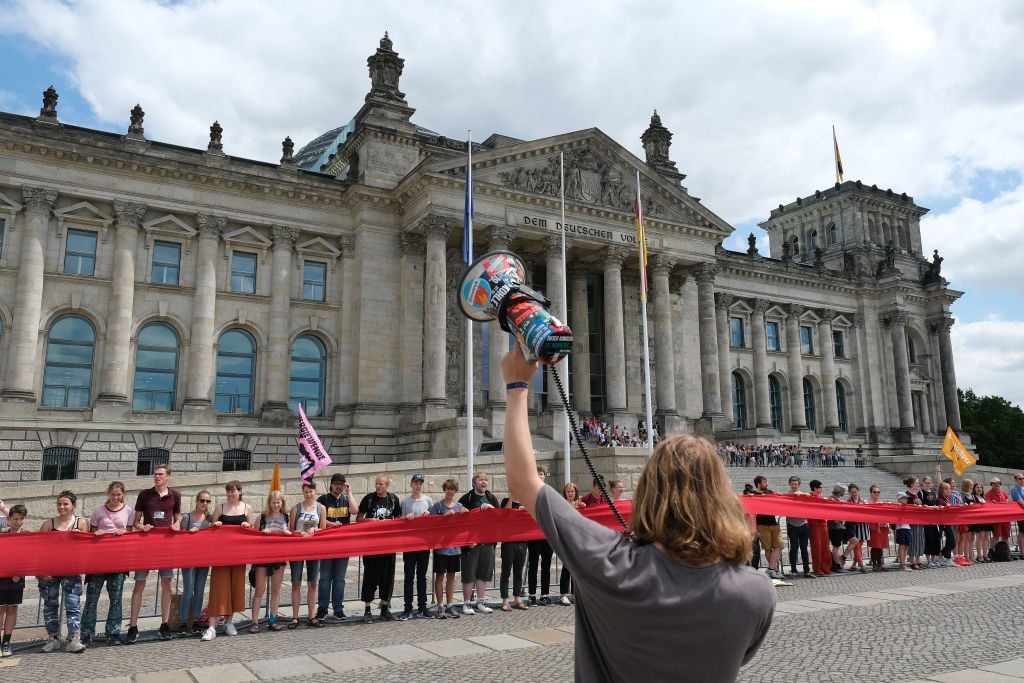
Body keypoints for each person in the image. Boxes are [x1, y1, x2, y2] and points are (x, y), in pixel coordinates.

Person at [501, 346, 775, 682]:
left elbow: (522, 483)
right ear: (722, 497)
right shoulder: (757, 592)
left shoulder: (607, 562)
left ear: (647, 491)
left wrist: (517, 386)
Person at [128, 463, 182, 643]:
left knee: (167, 583)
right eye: (155, 474)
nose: (157, 476)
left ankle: (164, 624)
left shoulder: (175, 495)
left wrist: (177, 524)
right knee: (139, 584)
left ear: (168, 477)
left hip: (166, 545)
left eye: (160, 474)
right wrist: (142, 526)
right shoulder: (144, 494)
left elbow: (178, 516)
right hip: (146, 544)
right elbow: (135, 521)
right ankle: (133, 626)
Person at [82, 481, 133, 646]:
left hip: (118, 560)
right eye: (112, 494)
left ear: (123, 494)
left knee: (116, 599)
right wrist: (96, 533)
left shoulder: (128, 510)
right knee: (92, 598)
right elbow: (91, 532)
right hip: (98, 560)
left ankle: (113, 632)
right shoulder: (98, 511)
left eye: (118, 494)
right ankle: (87, 633)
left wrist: (124, 532)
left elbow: (131, 532)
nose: (115, 497)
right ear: (108, 494)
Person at [38, 490, 90, 653]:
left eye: (65, 504)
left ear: (73, 506)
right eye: (59, 504)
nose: (61, 507)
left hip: (71, 570)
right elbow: (39, 548)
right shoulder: (48, 524)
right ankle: (53, 638)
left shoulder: (80, 523)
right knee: (50, 604)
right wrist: (43, 570)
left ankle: (73, 638)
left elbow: (87, 547)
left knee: (73, 604)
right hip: (51, 570)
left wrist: (80, 536)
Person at [202, 480, 252, 641]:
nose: (230, 494)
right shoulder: (220, 508)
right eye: (228, 491)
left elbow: (250, 531)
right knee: (218, 588)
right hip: (221, 555)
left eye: (233, 491)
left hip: (239, 555)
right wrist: (215, 524)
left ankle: (229, 622)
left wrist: (247, 525)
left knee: (235, 587)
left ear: (240, 492)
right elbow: (211, 530)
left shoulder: (247, 508)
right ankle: (211, 626)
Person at [357, 475, 402, 623]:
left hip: (388, 545)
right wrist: (369, 520)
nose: (377, 487)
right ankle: (367, 610)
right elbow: (358, 518)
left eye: (381, 484)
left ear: (387, 485)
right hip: (371, 545)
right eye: (376, 484)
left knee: (387, 577)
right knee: (370, 576)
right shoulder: (369, 499)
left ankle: (384, 608)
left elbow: (399, 520)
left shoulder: (394, 499)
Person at [458, 471, 499, 615]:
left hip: (487, 542)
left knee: (484, 573)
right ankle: (466, 603)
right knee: (469, 574)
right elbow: (460, 520)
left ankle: (480, 602)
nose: (484, 482)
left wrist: (492, 508)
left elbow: (499, 516)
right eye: (481, 480)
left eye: (486, 480)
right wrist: (467, 541)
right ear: (474, 483)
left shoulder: (491, 497)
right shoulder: (466, 498)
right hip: (471, 543)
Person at [316, 472, 355, 620]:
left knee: (340, 579)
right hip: (326, 544)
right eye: (336, 484)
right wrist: (332, 524)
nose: (338, 486)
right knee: (325, 578)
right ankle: (323, 608)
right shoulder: (323, 499)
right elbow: (319, 520)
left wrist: (349, 492)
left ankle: (338, 608)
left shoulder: (346, 499)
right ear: (331, 484)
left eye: (341, 484)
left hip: (343, 544)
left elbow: (355, 511)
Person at [250, 491, 289, 633]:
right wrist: (262, 533)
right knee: (260, 589)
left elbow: (290, 533)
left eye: (278, 502)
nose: (276, 505)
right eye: (273, 503)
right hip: (263, 556)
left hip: (279, 556)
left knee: (276, 590)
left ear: (282, 503)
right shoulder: (262, 517)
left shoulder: (286, 516)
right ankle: (254, 622)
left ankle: (273, 619)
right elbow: (254, 536)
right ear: (269, 503)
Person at [290, 481, 327, 628]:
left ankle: (312, 616)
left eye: (311, 491)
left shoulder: (321, 508)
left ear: (315, 492)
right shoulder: (296, 508)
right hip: (298, 548)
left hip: (314, 548)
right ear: (303, 492)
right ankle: (295, 617)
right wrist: (300, 532)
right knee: (296, 583)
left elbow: (323, 529)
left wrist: (314, 530)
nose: (309, 494)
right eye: (306, 491)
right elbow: (290, 530)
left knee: (313, 582)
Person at [428, 478, 466, 619]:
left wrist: (466, 513)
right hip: (441, 548)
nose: (450, 491)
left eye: (452, 489)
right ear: (444, 490)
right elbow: (432, 525)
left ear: (455, 491)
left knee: (452, 576)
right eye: (448, 488)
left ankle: (450, 605)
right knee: (440, 577)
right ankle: (440, 605)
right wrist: (445, 516)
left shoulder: (459, 506)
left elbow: (465, 524)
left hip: (455, 548)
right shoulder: (437, 506)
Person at [398, 473, 433, 621]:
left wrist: (429, 514)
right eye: (416, 483)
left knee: (422, 577)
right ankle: (407, 607)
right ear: (411, 485)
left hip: (423, 544)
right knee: (409, 577)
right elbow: (400, 521)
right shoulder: (405, 502)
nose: (418, 486)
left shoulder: (428, 501)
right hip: (410, 544)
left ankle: (422, 606)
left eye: (420, 483)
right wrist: (407, 519)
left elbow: (434, 520)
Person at [179, 490, 213, 635]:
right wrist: (188, 534)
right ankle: (183, 621)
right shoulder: (187, 517)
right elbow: (180, 537)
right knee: (188, 590)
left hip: (204, 558)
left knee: (199, 591)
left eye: (207, 501)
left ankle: (197, 621)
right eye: (202, 500)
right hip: (188, 558)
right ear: (196, 501)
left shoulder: (210, 519)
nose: (204, 503)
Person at [0, 504, 28, 657]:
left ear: (25, 519)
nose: (18, 522)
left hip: (17, 579)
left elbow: (29, 557)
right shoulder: (2, 535)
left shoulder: (27, 536)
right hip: (1, 578)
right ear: (9, 519)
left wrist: (19, 572)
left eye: (21, 519)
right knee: (0, 610)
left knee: (11, 609)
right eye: (15, 519)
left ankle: (6, 642)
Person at [526, 465, 554, 607]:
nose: (540, 476)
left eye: (541, 474)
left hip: (547, 535)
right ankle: (531, 595)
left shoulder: (549, 492)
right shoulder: (529, 493)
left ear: (544, 476)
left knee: (546, 566)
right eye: (537, 474)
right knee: (533, 565)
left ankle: (545, 594)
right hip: (534, 535)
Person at [499, 490, 530, 612]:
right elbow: (506, 513)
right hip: (509, 542)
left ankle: (517, 599)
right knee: (505, 572)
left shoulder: (526, 503)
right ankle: (505, 601)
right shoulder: (505, 501)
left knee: (518, 572)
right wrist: (512, 497)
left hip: (522, 542)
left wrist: (526, 510)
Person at [558, 482, 585, 605]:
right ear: (565, 493)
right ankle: (563, 594)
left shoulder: (580, 504)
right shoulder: (561, 504)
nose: (570, 493)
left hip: (577, 539)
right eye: (568, 491)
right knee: (566, 567)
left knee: (576, 567)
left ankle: (575, 593)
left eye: (572, 491)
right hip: (566, 538)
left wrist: (583, 507)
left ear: (576, 493)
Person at [753, 475, 784, 578]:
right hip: (761, 525)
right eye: (764, 482)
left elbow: (777, 498)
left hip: (773, 523)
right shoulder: (753, 494)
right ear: (759, 484)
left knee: (779, 546)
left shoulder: (769, 492)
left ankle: (771, 568)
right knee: (768, 548)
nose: (766, 484)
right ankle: (774, 569)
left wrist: (778, 495)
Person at [783, 476, 812, 578]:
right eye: (792, 484)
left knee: (804, 548)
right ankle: (794, 570)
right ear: (789, 484)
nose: (794, 486)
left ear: (799, 485)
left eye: (796, 484)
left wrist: (808, 496)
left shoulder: (803, 495)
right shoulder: (786, 495)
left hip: (804, 524)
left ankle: (806, 570)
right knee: (794, 548)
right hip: (792, 525)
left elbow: (810, 504)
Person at [807, 480, 831, 576]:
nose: (822, 489)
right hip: (814, 524)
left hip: (823, 524)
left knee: (825, 546)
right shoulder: (808, 497)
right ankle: (817, 568)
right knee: (816, 547)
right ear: (815, 488)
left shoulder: (821, 497)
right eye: (820, 487)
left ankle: (826, 567)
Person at [843, 484, 869, 572]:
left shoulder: (863, 501)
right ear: (849, 493)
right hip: (854, 527)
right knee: (857, 547)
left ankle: (854, 564)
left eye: (855, 492)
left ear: (858, 491)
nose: (854, 493)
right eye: (852, 492)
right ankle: (862, 565)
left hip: (862, 526)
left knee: (859, 547)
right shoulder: (848, 501)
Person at [904, 477, 926, 570]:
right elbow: (905, 508)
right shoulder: (907, 495)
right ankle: (912, 561)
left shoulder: (916, 494)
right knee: (913, 540)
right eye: (917, 483)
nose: (918, 484)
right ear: (912, 484)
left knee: (920, 540)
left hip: (919, 520)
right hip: (912, 521)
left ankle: (918, 559)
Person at [866, 485, 889, 571]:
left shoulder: (881, 503)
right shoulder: (868, 503)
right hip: (874, 527)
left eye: (878, 492)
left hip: (882, 527)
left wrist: (885, 522)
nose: (876, 493)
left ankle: (880, 564)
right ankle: (874, 564)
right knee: (875, 546)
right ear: (871, 493)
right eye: (874, 492)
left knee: (880, 546)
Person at [987, 477, 1011, 557]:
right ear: (991, 485)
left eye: (998, 483)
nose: (996, 485)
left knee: (1006, 536)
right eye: (994, 483)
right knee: (996, 536)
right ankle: (991, 551)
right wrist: (991, 502)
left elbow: (1007, 502)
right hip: (996, 518)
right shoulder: (989, 493)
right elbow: (987, 504)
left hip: (1005, 518)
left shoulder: (1003, 493)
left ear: (1000, 484)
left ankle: (1006, 551)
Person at [826, 484, 848, 573]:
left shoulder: (835, 500)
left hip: (838, 526)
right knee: (835, 547)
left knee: (836, 546)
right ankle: (837, 565)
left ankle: (837, 564)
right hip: (834, 527)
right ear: (841, 492)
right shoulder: (831, 500)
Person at [894, 492, 913, 571]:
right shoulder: (897, 507)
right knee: (902, 546)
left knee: (906, 546)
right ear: (899, 499)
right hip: (901, 528)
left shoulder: (908, 507)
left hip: (907, 527)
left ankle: (903, 562)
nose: (906, 499)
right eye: (904, 498)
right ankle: (902, 563)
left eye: (906, 498)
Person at [1011, 473, 1024, 557]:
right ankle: (1022, 551)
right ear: (1016, 480)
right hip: (1020, 513)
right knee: (1022, 532)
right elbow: (1021, 502)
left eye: (1023, 478)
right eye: (1020, 479)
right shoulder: (1014, 489)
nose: (1022, 480)